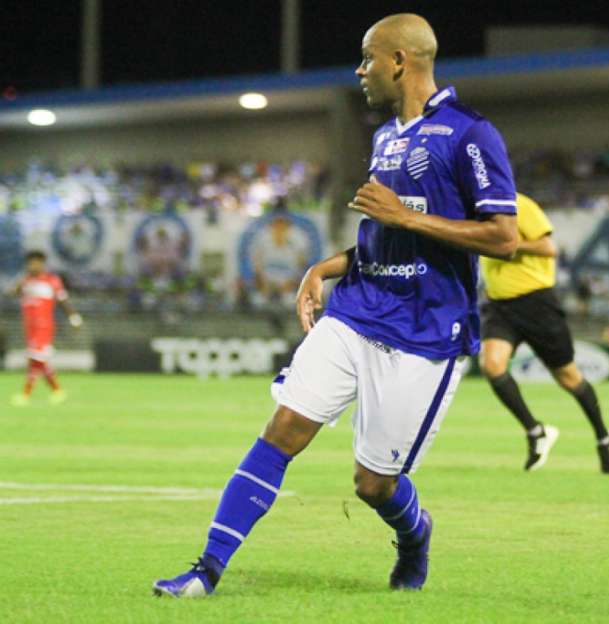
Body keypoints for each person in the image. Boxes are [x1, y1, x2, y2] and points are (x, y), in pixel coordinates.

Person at [153, 13, 518, 597]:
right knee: (283, 428)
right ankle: (206, 570)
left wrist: (405, 215)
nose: (360, 69)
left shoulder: (472, 133)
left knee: (373, 484)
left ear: (399, 60)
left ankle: (415, 533)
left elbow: (504, 237)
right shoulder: (385, 137)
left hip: (424, 332)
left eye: (368, 57)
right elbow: (384, 238)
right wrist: (321, 268)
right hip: (355, 311)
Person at [478, 193, 609, 474]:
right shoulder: (476, 212)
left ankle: (604, 438)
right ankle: (535, 431)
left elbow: (548, 247)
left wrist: (509, 244)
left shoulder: (520, 205)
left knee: (568, 378)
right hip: (498, 305)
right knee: (491, 365)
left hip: (536, 303)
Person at [10, 250, 82, 406]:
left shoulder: (51, 280)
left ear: (42, 264)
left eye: (36, 262)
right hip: (29, 327)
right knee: (39, 361)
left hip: (43, 326)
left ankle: (26, 394)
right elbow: (11, 293)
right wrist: (18, 285)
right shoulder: (26, 281)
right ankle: (57, 391)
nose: (33, 265)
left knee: (35, 360)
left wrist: (74, 317)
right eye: (30, 262)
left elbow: (63, 300)